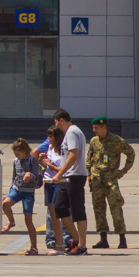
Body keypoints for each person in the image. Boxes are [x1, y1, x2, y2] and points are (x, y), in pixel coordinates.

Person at [88, 116, 135, 249]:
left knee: (116, 208)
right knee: (98, 210)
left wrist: (124, 170)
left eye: (96, 128)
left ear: (104, 127)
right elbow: (89, 157)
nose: (94, 130)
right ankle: (103, 239)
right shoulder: (94, 141)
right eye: (93, 128)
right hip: (97, 180)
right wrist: (89, 174)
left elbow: (131, 153)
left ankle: (122, 239)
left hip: (110, 181)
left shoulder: (117, 141)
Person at [46, 108, 89, 255]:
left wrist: (59, 173)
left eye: (56, 123)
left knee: (78, 211)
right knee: (60, 208)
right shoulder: (71, 132)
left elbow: (73, 155)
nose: (56, 126)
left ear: (62, 121)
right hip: (68, 177)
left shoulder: (71, 132)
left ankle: (82, 246)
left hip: (74, 176)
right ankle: (76, 239)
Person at [2, 138, 43, 255]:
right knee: (5, 204)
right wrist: (9, 193)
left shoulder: (32, 161)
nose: (17, 156)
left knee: (28, 220)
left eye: (18, 154)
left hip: (28, 191)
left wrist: (29, 175)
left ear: (25, 151)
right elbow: (14, 178)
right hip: (17, 189)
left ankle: (34, 247)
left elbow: (36, 176)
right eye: (15, 154)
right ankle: (11, 221)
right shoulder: (16, 161)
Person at [37, 126, 75, 254]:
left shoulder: (63, 151)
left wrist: (50, 165)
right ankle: (59, 244)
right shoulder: (50, 148)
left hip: (59, 183)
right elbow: (46, 167)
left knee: (60, 214)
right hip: (48, 182)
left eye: (50, 136)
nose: (48, 139)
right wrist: (41, 161)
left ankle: (64, 243)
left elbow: (64, 169)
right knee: (53, 216)